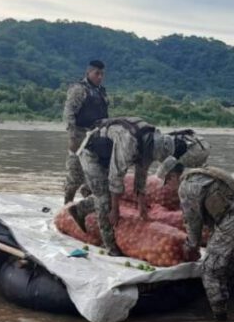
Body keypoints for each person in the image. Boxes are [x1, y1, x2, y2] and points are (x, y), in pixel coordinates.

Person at [67, 117, 172, 256]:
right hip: (91, 154)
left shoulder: (150, 141)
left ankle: (79, 209)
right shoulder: (128, 141)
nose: (149, 159)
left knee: (111, 195)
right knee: (104, 199)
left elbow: (141, 173)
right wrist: (115, 210)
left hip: (107, 156)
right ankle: (110, 245)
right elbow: (115, 176)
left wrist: (142, 205)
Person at [178, 165, 234, 320]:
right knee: (226, 273)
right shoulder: (207, 174)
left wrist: (191, 246)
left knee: (209, 271)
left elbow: (193, 223)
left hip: (232, 225)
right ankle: (224, 312)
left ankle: (220, 321)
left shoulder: (187, 185)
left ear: (173, 176)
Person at [62, 60, 109, 204]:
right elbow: (69, 113)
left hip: (97, 137)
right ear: (88, 72)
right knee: (75, 175)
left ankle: (88, 205)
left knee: (95, 176)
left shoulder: (101, 91)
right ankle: (67, 204)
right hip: (80, 136)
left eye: (102, 74)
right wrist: (72, 137)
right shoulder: (79, 89)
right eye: (97, 73)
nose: (100, 77)